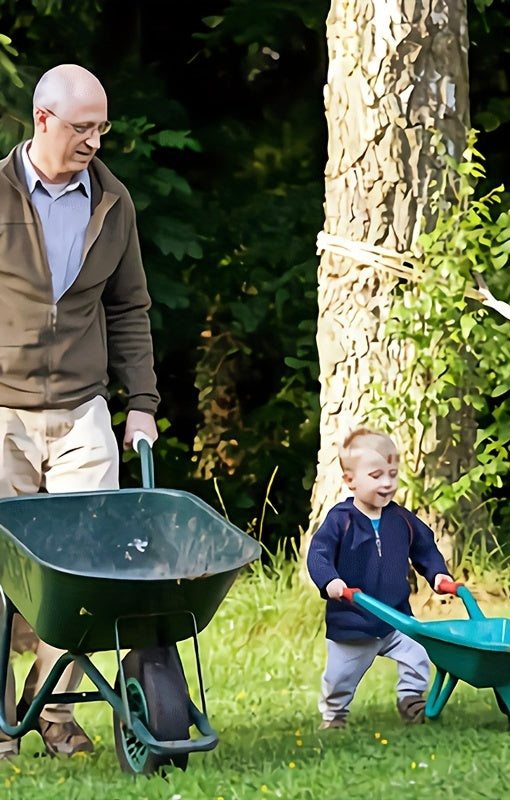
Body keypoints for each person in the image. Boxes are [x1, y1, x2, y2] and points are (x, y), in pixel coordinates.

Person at [0, 63, 159, 759]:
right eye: (82, 127)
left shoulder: (112, 202)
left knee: (81, 572)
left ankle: (57, 712)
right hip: (2, 408)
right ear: (42, 120)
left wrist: (142, 405)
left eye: (102, 127)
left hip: (81, 413)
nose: (95, 140)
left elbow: (129, 308)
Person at [307, 428, 452, 729]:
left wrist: (437, 574)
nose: (387, 483)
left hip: (396, 618)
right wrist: (330, 581)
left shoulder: (401, 520)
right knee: (340, 677)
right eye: (376, 476)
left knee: (419, 654)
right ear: (350, 481)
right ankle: (334, 715)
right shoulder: (340, 519)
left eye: (392, 474)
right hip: (354, 621)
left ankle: (411, 700)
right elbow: (318, 555)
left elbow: (425, 547)